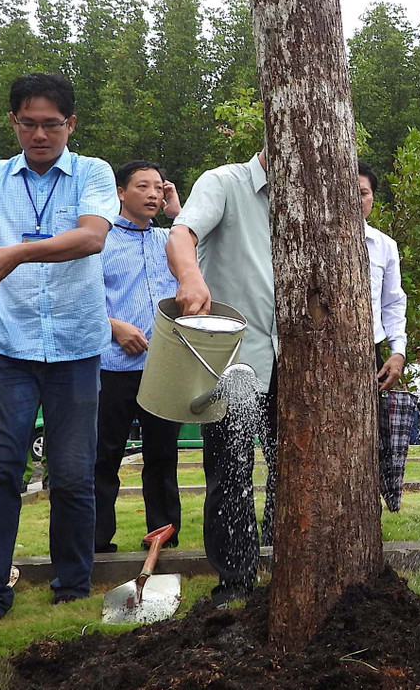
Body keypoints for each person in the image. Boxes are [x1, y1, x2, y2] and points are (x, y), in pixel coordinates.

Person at [0, 72, 118, 625]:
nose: (40, 135)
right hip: (8, 345)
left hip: (76, 345)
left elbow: (92, 237)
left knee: (72, 472)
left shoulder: (93, 172)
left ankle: (73, 587)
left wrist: (15, 252)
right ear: (13, 122)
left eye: (51, 124)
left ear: (71, 125)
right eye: (29, 123)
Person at [166, 149, 276, 607]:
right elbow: (181, 234)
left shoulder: (313, 193)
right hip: (233, 361)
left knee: (297, 471)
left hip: (299, 362)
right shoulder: (224, 183)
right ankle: (235, 580)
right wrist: (190, 277)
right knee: (230, 473)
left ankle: (288, 566)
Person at [93, 160, 184, 553]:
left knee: (163, 455)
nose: (152, 194)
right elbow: (80, 296)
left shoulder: (171, 240)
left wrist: (177, 214)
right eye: (142, 186)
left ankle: (163, 536)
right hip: (112, 365)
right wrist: (114, 326)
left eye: (159, 188)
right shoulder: (100, 239)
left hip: (162, 367)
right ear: (120, 192)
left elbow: (203, 264)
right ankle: (96, 539)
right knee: (104, 454)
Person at [359, 163, 410, 511]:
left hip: (369, 354)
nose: (357, 200)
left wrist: (398, 352)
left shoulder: (384, 245)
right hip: (316, 353)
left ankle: (369, 511)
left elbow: (393, 302)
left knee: (372, 440)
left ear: (373, 198)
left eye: (363, 193)